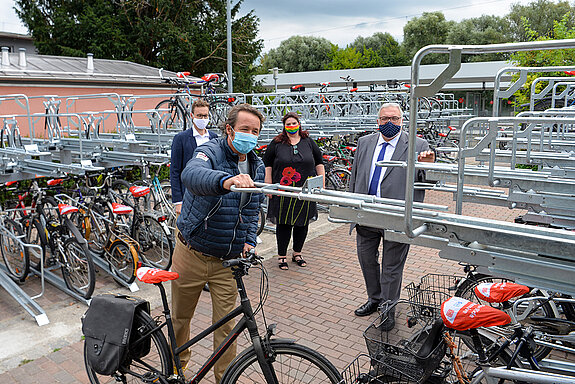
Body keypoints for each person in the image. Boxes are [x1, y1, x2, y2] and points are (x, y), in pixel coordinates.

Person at [171, 103, 265, 383]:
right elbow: (191, 175)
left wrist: (248, 240)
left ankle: (225, 378)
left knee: (226, 326)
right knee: (180, 318)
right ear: (229, 130)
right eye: (245, 129)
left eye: (255, 131)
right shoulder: (209, 151)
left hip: (227, 261)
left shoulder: (256, 166)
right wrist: (226, 180)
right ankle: (177, 369)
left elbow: (252, 208)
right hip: (192, 253)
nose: (250, 135)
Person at [348, 102, 435, 326]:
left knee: (391, 267)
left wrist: (429, 166)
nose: (390, 123)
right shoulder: (365, 142)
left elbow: (429, 181)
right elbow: (355, 175)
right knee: (366, 259)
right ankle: (374, 298)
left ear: (402, 121)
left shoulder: (417, 144)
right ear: (378, 121)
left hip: (397, 216)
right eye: (385, 119)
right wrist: (351, 206)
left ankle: (388, 309)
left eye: (394, 119)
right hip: (366, 214)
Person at [262, 112, 325, 270]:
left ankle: (297, 253)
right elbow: (267, 164)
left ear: (299, 124)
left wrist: (321, 180)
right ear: (284, 126)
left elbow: (319, 161)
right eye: (288, 124)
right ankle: (282, 256)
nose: (291, 126)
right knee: (283, 223)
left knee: (302, 223)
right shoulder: (277, 143)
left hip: (305, 190)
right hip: (283, 190)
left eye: (293, 123)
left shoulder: (308, 142)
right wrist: (268, 183)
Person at [170, 98, 218, 215]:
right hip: (188, 196)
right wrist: (178, 201)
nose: (202, 119)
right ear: (192, 115)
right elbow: (175, 170)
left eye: (205, 116)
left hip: (209, 194)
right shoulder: (181, 138)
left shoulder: (213, 137)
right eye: (199, 115)